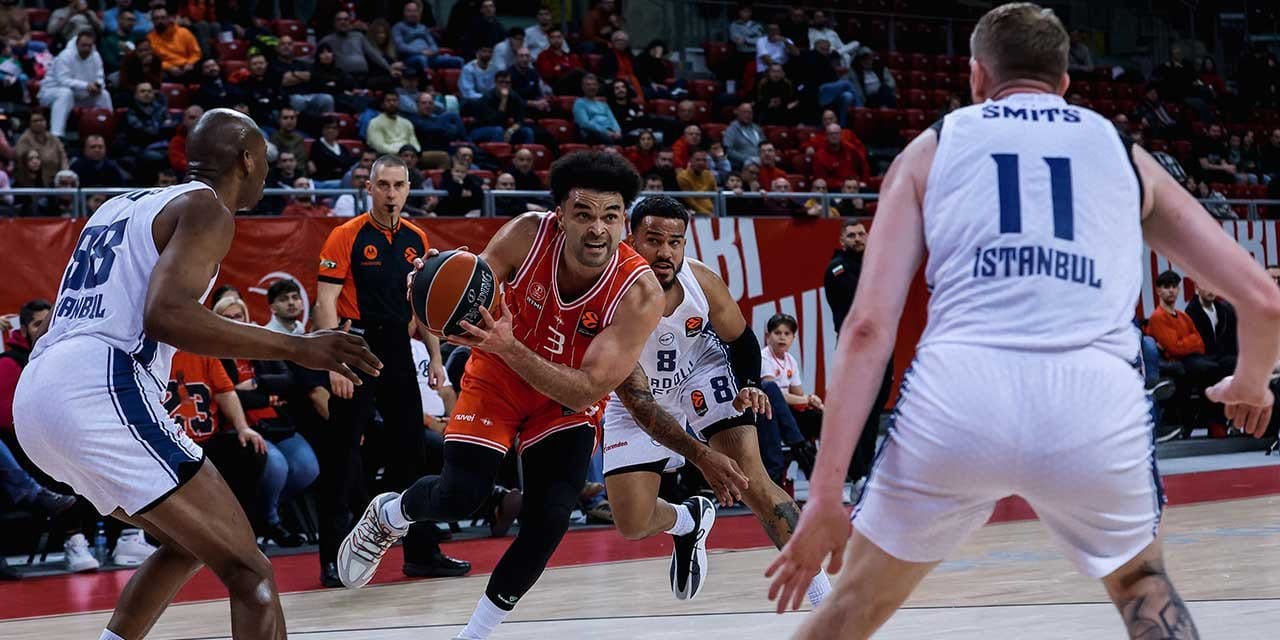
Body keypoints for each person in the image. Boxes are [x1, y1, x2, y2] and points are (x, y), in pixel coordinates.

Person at [766, 5, 1280, 639]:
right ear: (1066, 83)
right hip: (1092, 401)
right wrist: (1251, 384)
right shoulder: (1123, 154)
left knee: (852, 608)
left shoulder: (934, 146)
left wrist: (823, 495)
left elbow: (868, 328)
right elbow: (1263, 300)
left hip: (958, 400)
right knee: (1145, 591)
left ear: (977, 76)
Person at [12, 109, 381, 640]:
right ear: (248, 159)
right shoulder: (208, 208)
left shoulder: (119, 205)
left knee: (189, 543)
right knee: (250, 572)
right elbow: (166, 315)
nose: (266, 172)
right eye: (264, 160)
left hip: (40, 396)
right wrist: (300, 346)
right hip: (98, 386)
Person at [337, 152, 665, 640]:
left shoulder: (640, 294)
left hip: (564, 397)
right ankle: (389, 514)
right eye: (584, 214)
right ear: (560, 216)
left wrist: (515, 349)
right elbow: (472, 284)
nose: (597, 229)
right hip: (497, 373)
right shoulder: (528, 234)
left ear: (624, 222)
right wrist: (433, 283)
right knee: (460, 495)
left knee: (550, 517)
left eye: (610, 216)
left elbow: (591, 389)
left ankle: (473, 634)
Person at [602, 195, 832, 604]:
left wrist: (750, 383)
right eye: (654, 240)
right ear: (630, 238)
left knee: (753, 482)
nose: (665, 252)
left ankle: (825, 603)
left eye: (676, 242)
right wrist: (701, 457)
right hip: (635, 390)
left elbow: (742, 339)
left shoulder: (700, 280)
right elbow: (641, 404)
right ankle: (688, 521)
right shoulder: (605, 289)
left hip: (699, 373)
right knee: (632, 523)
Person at [313, 154, 470, 588]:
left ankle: (422, 553)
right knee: (343, 455)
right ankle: (332, 558)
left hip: (399, 345)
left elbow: (424, 307)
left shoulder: (417, 238)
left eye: (398, 185)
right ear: (369, 187)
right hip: (355, 343)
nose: (391, 193)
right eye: (383, 185)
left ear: (407, 189)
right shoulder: (345, 235)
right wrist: (335, 360)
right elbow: (325, 302)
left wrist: (436, 358)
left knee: (413, 455)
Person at [823, 220, 893, 485]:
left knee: (875, 409)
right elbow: (864, 301)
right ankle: (856, 473)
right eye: (851, 235)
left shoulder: (875, 265)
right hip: (856, 348)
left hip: (882, 344)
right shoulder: (838, 270)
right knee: (857, 410)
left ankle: (867, 471)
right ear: (842, 240)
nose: (857, 238)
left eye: (861, 234)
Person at [38, 30, 111, 138]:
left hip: (80, 95)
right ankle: (57, 135)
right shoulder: (65, 56)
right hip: (52, 92)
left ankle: (108, 130)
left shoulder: (96, 56)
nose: (86, 48)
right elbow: (63, 80)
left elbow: (100, 77)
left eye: (89, 46)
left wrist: (98, 86)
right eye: (83, 45)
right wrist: (86, 85)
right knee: (65, 93)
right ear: (77, 44)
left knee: (104, 94)